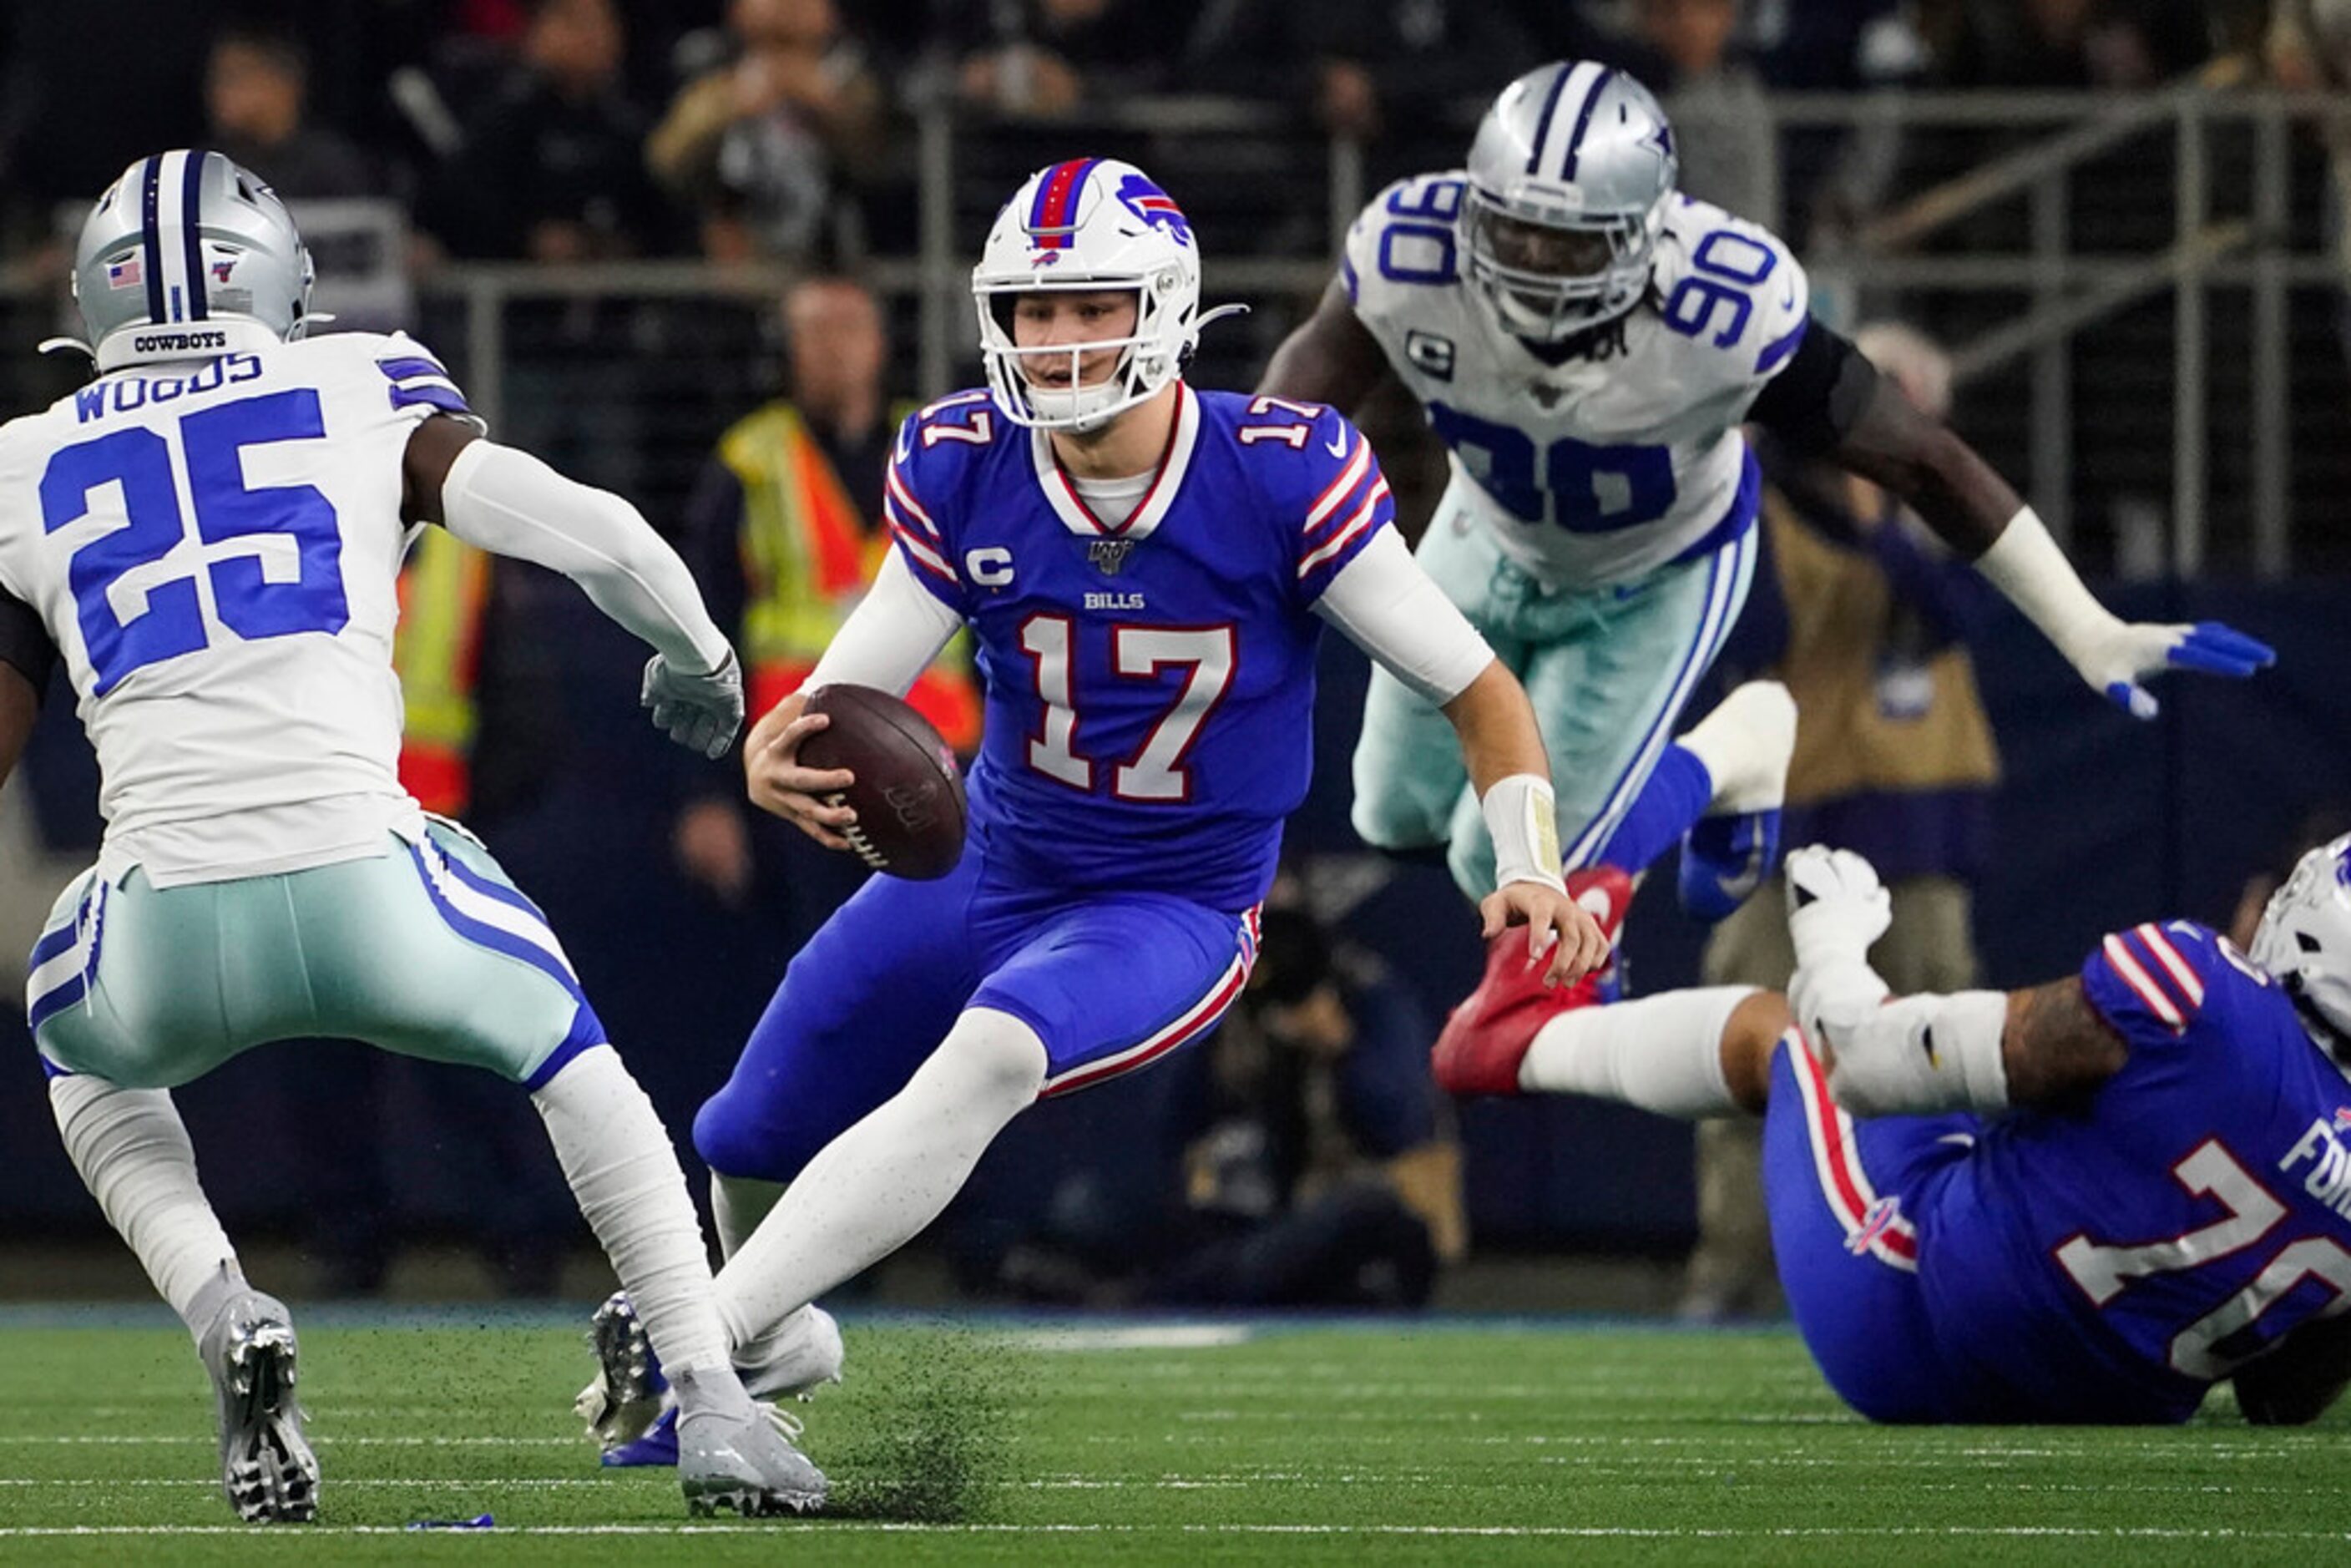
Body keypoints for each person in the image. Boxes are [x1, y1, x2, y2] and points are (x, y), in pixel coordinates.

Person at [579, 155, 1609, 1466]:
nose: (1056, 340)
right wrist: (784, 746)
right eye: (1032, 310)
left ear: (1169, 307)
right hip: (995, 851)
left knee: (993, 1053)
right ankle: (763, 1340)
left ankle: (695, 1351)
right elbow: (857, 676)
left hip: (1170, 900)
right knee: (743, 1132)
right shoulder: (965, 462)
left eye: (1091, 305)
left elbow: (1481, 689)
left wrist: (1529, 862)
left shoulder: (1282, 474)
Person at [0, 151, 819, 1520]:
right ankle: (714, 1400)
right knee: (574, 1060)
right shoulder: (357, 381)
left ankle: (224, 1313)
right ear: (278, 277)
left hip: (162, 918)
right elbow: (596, 534)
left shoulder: (25, 461)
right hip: (377, 889)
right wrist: (697, 654)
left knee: (75, 1051)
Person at [1255, 62, 2272, 971]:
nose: (1525, 257)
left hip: (1653, 575)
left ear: (1641, 235)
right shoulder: (1409, 249)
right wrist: (1240, 533)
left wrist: (2084, 624)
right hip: (1490, 527)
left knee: (1499, 864)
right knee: (1387, 814)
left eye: (1563, 242)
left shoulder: (1725, 311)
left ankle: (1738, 750)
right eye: (1510, 225)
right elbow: (1308, 383)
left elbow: (1925, 463)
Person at [1433, 838, 2351, 1425]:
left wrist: (1832, 943)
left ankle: (1515, 1041)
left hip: (1916, 1319)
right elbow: (2281, 1397)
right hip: (2111, 1402)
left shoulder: (2194, 995)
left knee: (1785, 1038)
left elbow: (1863, 1065)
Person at [1681, 320, 2001, 1320]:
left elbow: (1966, 616)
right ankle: (1735, 1270)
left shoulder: (1941, 510)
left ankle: (1948, 1264)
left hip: (1917, 829)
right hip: (1792, 818)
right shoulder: (1764, 500)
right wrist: (1829, 500)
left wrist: (1888, 516)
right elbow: (1759, 625)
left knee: (1941, 1058)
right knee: (1752, 1053)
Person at [671, 276, 979, 925]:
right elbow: (699, 636)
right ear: (789, 348)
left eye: (848, 328)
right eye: (814, 331)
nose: (832, 348)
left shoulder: (936, 452)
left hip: (944, 765)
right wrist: (709, 793)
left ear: (879, 344)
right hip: (806, 769)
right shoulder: (752, 461)